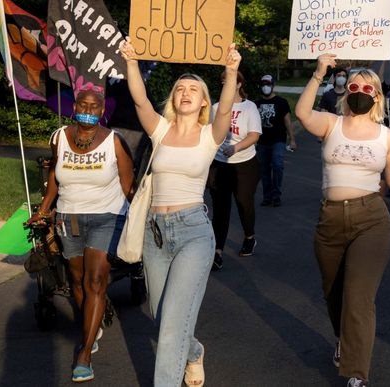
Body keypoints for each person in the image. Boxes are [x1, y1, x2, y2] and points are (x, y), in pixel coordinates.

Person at [121, 39, 241, 387]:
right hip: (155, 234)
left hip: (193, 233)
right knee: (163, 318)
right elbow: (140, 99)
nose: (185, 92)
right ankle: (194, 353)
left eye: (194, 89)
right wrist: (131, 61)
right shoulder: (159, 130)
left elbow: (225, 109)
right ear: (174, 98)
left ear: (204, 100)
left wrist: (230, 72)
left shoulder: (210, 135)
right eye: (180, 88)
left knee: (173, 323)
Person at [296, 55, 390, 387]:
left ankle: (356, 374)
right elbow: (302, 113)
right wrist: (319, 72)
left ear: (378, 96)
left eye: (367, 87)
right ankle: (344, 341)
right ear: (345, 92)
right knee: (333, 293)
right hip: (330, 220)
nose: (360, 91)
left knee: (358, 297)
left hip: (371, 220)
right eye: (353, 86)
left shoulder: (386, 136)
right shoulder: (331, 124)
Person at [27, 88, 134, 382]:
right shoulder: (59, 137)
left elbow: (128, 184)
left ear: (102, 111)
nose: (88, 108)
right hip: (68, 218)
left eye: (94, 105)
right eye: (83, 104)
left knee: (95, 280)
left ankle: (84, 352)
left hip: (107, 216)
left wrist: (143, 214)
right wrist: (45, 208)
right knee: (76, 280)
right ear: (75, 106)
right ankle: (92, 323)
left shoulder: (114, 142)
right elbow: (54, 175)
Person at [208, 70, 262, 271]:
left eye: (228, 81)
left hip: (245, 163)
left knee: (243, 201)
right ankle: (217, 252)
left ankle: (249, 236)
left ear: (238, 84)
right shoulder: (215, 108)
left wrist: (235, 147)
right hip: (220, 163)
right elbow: (207, 133)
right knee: (220, 208)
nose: (225, 85)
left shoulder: (249, 107)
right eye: (222, 82)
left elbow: (254, 135)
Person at [256, 74, 296, 207]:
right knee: (264, 170)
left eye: (268, 84)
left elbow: (288, 121)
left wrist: (292, 139)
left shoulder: (281, 102)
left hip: (278, 140)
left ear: (273, 86)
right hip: (262, 142)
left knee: (278, 165)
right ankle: (267, 197)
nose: (265, 87)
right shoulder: (256, 104)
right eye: (263, 85)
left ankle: (276, 194)